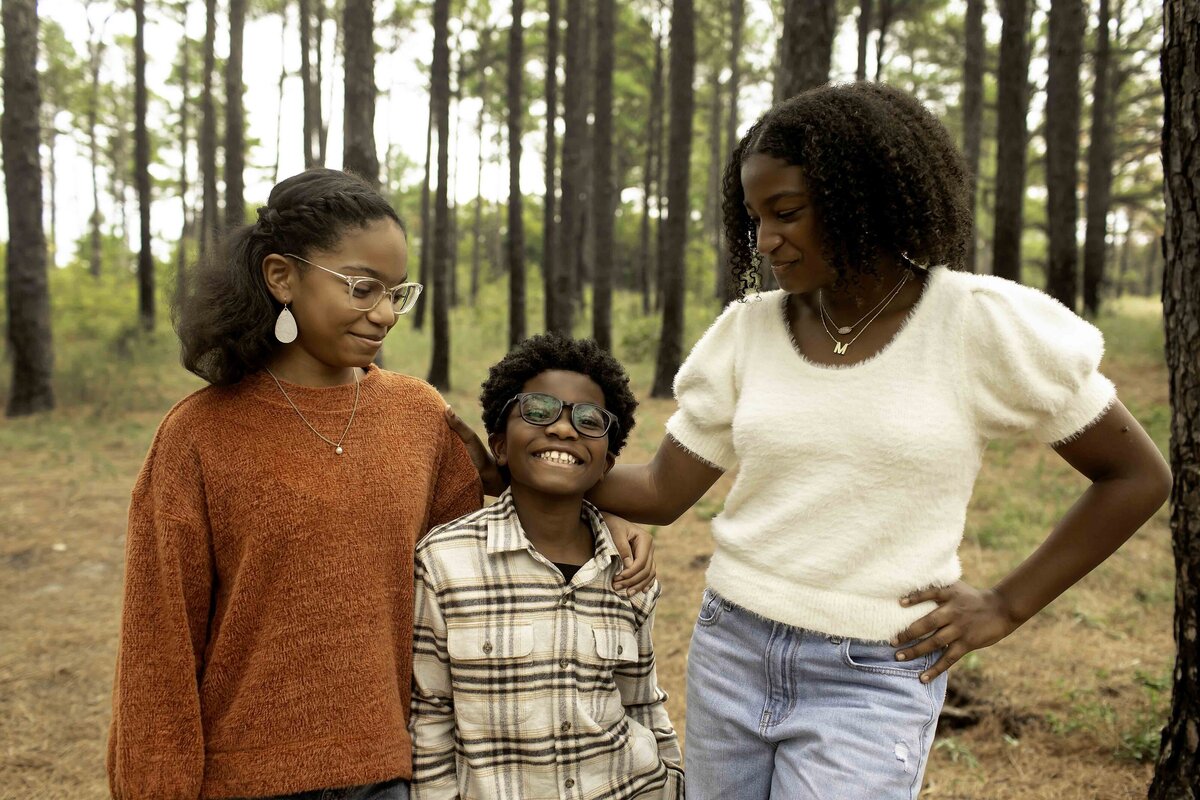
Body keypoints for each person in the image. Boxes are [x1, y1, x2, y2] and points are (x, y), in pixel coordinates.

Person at [450, 83, 1172, 799]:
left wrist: (1008, 604)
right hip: (731, 646)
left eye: (787, 213)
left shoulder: (978, 324)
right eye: (755, 217)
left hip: (875, 672)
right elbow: (663, 493)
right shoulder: (749, 331)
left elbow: (1135, 476)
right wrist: (529, 463)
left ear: (865, 198)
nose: (766, 240)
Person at [106, 169, 654, 800]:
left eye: (398, 292)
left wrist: (602, 518)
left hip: (393, 774)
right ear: (282, 276)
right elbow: (158, 649)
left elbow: (494, 536)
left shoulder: (418, 416)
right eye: (362, 288)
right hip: (242, 780)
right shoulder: (198, 436)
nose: (386, 314)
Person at [411, 335, 684, 800]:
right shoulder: (445, 561)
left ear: (607, 464)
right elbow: (431, 715)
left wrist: (673, 780)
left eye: (589, 420)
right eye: (538, 411)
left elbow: (642, 702)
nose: (563, 429)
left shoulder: (628, 570)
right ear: (499, 444)